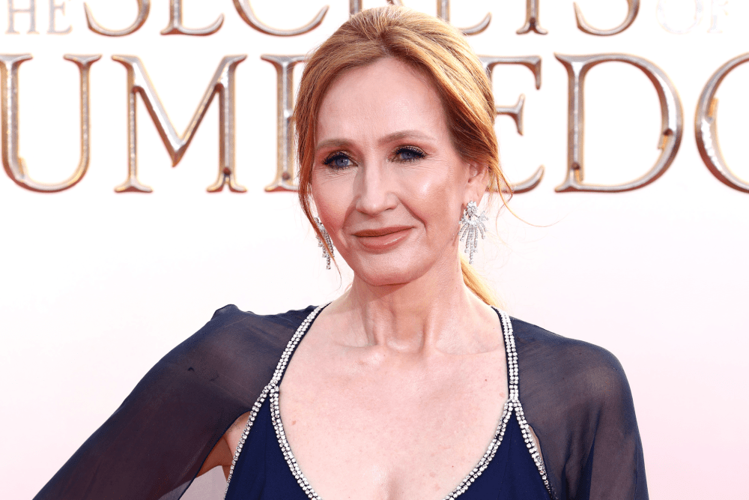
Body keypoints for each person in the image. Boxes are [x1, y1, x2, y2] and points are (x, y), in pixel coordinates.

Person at [35, 6, 647, 500]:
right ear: (310, 179)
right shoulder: (234, 366)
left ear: (474, 172)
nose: (372, 198)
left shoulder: (573, 394)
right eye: (339, 160)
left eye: (407, 153)